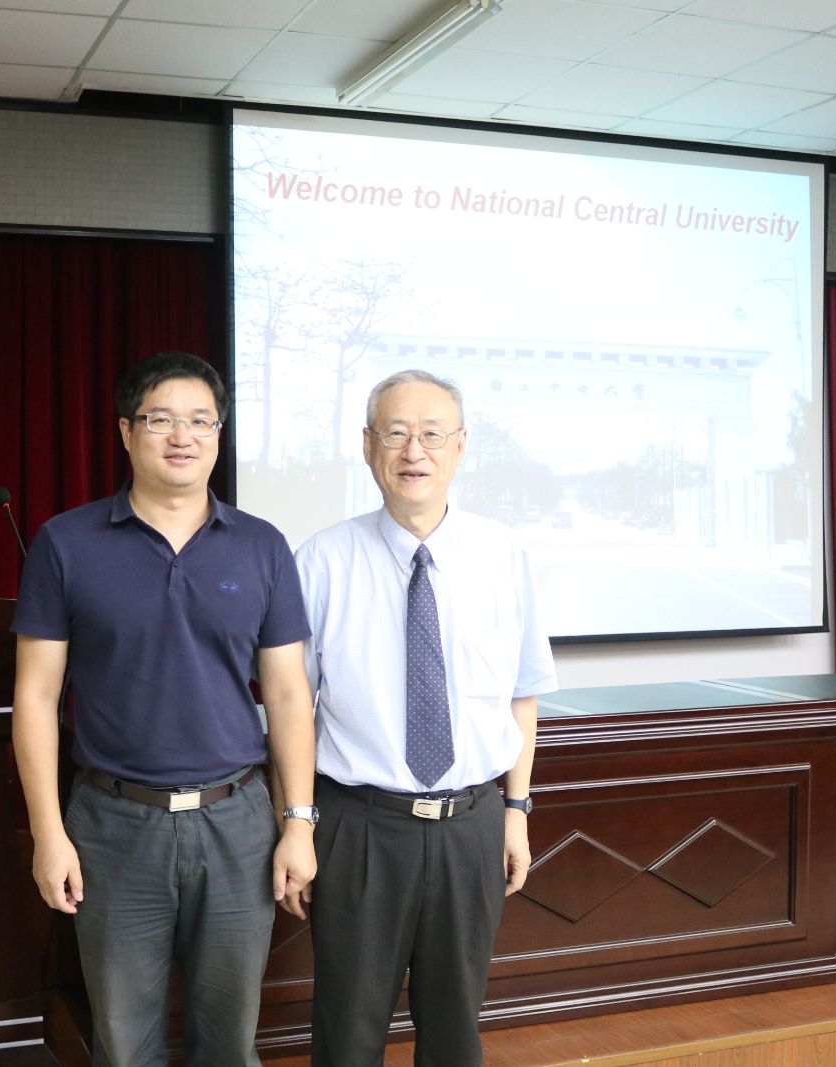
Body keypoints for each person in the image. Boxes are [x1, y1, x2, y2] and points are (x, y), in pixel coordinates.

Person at [10, 351, 318, 1067]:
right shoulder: (67, 542)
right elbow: (35, 696)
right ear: (126, 431)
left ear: (219, 434)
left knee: (229, 1042)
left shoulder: (262, 545)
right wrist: (48, 833)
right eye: (160, 419)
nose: (183, 436)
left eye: (201, 421)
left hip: (238, 824)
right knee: (124, 1043)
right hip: (113, 824)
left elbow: (287, 694)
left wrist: (298, 823)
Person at [295, 368, 559, 1067]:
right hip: (356, 827)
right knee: (347, 1034)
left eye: (432, 434)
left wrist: (516, 810)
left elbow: (523, 694)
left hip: (472, 825)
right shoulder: (321, 560)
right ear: (367, 446)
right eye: (396, 433)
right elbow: (291, 708)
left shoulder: (503, 555)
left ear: (461, 446)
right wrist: (296, 822)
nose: (414, 451)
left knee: (454, 1033)